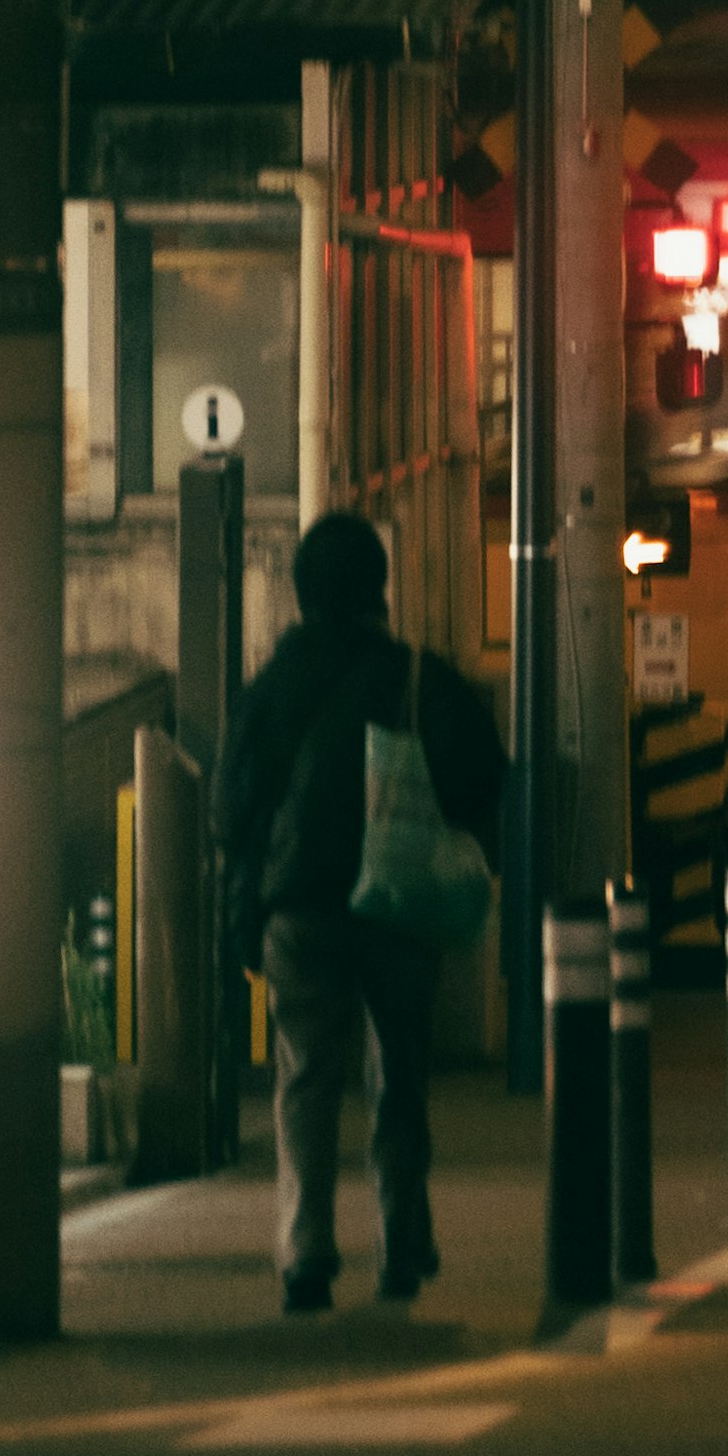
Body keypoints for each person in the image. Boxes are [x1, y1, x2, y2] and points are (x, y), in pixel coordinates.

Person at [216, 508, 505, 1313]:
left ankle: (305, 1249)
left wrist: (247, 910)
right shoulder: (416, 678)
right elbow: (484, 777)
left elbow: (232, 816)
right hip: (400, 901)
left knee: (305, 1075)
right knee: (401, 1074)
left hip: (301, 909)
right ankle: (403, 1243)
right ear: (379, 588)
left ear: (302, 595)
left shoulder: (269, 690)